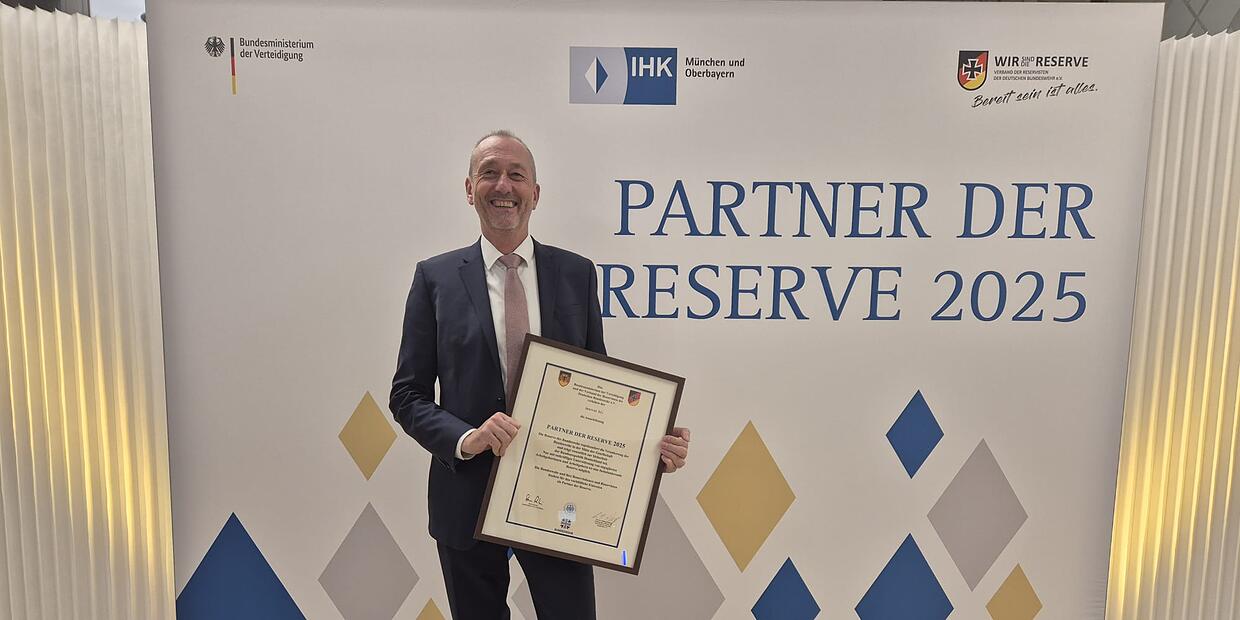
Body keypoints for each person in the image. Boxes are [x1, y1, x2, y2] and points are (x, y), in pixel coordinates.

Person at [389, 130, 691, 619]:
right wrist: (467, 437)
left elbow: (599, 388)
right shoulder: (435, 278)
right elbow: (407, 395)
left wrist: (651, 443)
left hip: (562, 495)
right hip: (465, 496)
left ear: (535, 193)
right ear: (469, 189)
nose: (502, 185)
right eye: (489, 173)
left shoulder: (576, 274)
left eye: (516, 174)